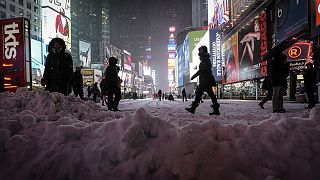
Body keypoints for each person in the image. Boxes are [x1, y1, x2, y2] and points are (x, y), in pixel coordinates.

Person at [186, 46, 220, 115]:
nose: (199, 56)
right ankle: (216, 110)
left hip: (206, 81)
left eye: (200, 54)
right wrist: (194, 76)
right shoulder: (205, 60)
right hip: (205, 81)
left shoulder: (206, 60)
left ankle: (193, 108)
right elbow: (201, 71)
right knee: (210, 95)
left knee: (201, 93)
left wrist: (194, 76)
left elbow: (202, 71)